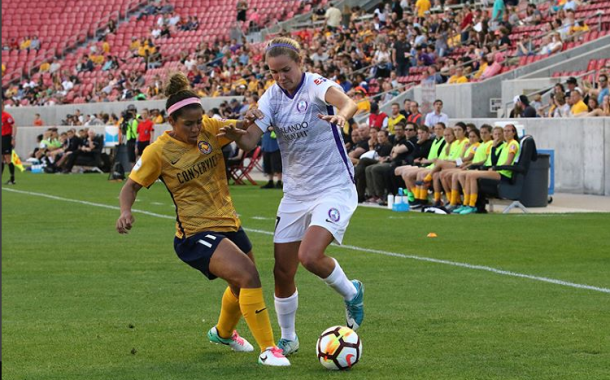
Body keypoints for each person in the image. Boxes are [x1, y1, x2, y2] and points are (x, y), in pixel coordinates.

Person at [115, 73, 290, 367]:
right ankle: (269, 348)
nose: (197, 128)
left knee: (240, 285)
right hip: (194, 234)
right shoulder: (157, 152)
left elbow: (240, 131)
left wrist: (247, 118)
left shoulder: (209, 127)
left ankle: (222, 333)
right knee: (248, 275)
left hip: (228, 221)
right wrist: (125, 211)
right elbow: (130, 185)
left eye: (199, 121)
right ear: (172, 121)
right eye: (189, 124)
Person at [218, 37, 365, 356]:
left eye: (285, 70)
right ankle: (289, 338)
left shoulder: (314, 84)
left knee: (310, 256)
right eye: (274, 72)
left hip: (333, 186)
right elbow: (250, 141)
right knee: (282, 271)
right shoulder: (270, 97)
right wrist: (235, 134)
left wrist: (343, 115)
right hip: (296, 193)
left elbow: (347, 102)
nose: (280, 77)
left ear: (300, 63)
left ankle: (352, 292)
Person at [458, 124, 518, 215]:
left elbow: (508, 163)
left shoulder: (513, 144)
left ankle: (472, 205)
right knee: (467, 174)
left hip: (503, 173)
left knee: (471, 175)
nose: (506, 133)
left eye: (508, 131)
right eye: (505, 131)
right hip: (497, 171)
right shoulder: (506, 144)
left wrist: (494, 168)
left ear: (514, 133)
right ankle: (466, 203)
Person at [2, 102, 17, 185]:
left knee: (7, 158)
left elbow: (14, 125)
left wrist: (13, 138)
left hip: (6, 138)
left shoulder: (7, 116)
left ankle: (12, 178)